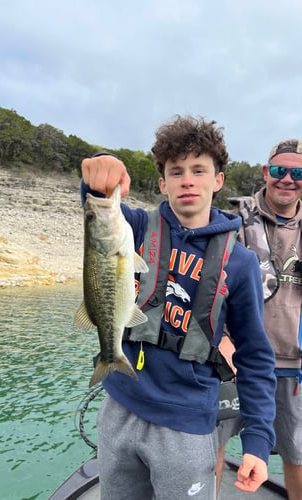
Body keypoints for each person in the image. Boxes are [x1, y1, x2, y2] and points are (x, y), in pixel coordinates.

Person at [80, 115, 276, 499]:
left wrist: (256, 441)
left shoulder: (240, 263)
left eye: (199, 170)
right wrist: (100, 170)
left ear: (217, 180)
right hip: (119, 405)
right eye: (176, 171)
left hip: (187, 421)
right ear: (162, 183)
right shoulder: (132, 228)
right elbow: (97, 204)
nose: (187, 180)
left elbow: (255, 355)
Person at [216, 138, 302, 500]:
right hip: (235, 362)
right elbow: (208, 285)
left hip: (293, 367)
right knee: (210, 450)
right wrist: (222, 342)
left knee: (297, 457)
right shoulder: (231, 221)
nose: (287, 179)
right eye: (279, 170)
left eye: (297, 172)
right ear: (266, 172)